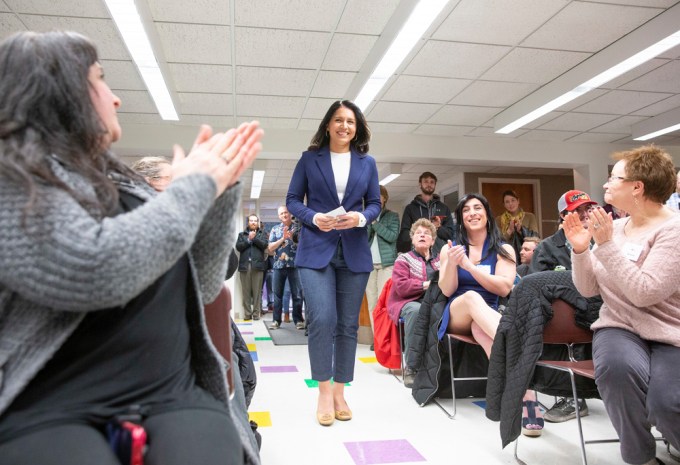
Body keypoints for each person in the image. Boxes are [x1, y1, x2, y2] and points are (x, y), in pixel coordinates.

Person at [0, 31, 264, 465]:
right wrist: (194, 187)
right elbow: (94, 268)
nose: (116, 98)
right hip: (55, 400)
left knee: (210, 448)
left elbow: (197, 285)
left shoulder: (124, 182)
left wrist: (219, 194)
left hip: (170, 389)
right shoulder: (18, 181)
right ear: (61, 94)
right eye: (101, 80)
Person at [564, 145, 680, 465]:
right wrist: (581, 251)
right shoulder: (612, 227)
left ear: (637, 187)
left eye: (613, 178)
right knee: (616, 369)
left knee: (665, 404)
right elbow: (588, 290)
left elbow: (645, 292)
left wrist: (603, 246)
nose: (605, 184)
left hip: (669, 332)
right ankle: (639, 456)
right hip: (619, 325)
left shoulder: (674, 230)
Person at [286, 100, 380, 427]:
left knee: (347, 326)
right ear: (328, 125)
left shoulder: (367, 163)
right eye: (338, 120)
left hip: (354, 251)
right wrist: (314, 217)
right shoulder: (310, 159)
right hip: (315, 250)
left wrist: (359, 217)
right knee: (322, 319)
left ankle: (341, 390)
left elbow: (375, 205)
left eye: (350, 122)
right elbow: (293, 200)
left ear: (357, 128)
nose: (344, 126)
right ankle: (323, 390)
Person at [438, 194, 543, 436]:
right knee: (473, 299)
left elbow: (504, 288)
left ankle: (521, 394)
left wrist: (470, 267)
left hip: (487, 314)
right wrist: (454, 264)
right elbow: (447, 289)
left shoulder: (503, 249)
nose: (472, 213)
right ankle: (522, 353)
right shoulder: (450, 248)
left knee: (482, 332)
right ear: (461, 217)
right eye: (466, 210)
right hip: (458, 312)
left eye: (478, 208)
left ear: (487, 214)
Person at [527, 189, 599, 424]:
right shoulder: (547, 248)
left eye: (587, 209)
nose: (585, 214)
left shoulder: (601, 241)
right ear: (563, 215)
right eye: (577, 210)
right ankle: (571, 397)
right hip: (564, 317)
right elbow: (537, 286)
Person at [387, 219, 440, 387]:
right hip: (407, 302)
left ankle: (441, 366)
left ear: (433, 240)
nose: (422, 235)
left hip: (434, 301)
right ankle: (411, 367)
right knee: (417, 312)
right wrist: (427, 285)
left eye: (427, 233)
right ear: (412, 239)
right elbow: (401, 287)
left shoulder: (441, 261)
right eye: (418, 233)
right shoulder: (403, 259)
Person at [365, 184, 399, 340]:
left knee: (383, 302)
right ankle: (377, 339)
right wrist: (368, 221)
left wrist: (375, 223)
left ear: (384, 198)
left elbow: (392, 236)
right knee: (372, 304)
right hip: (368, 265)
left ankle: (386, 337)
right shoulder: (366, 216)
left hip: (386, 265)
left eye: (379, 196)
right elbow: (363, 239)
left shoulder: (392, 216)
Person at [397, 171, 454, 255]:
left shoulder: (444, 208)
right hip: (417, 254)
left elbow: (450, 234)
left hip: (439, 255)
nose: (429, 184)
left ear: (435, 185)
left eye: (432, 182)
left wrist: (438, 227)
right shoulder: (410, 208)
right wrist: (419, 232)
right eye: (426, 181)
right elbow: (404, 234)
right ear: (420, 184)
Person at [267, 206, 304, 329]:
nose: (284, 215)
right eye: (281, 213)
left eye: (286, 212)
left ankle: (298, 320)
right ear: (279, 216)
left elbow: (303, 245)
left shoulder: (298, 228)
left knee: (297, 294)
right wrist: (283, 238)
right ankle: (276, 321)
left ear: (290, 213)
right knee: (277, 294)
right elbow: (270, 248)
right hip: (279, 265)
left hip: (295, 265)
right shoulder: (275, 229)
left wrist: (291, 239)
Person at [236, 214, 268, 321]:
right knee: (246, 291)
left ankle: (256, 314)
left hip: (258, 266)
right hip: (245, 266)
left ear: (258, 222)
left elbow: (264, 245)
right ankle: (247, 314)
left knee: (257, 291)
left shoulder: (262, 234)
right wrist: (248, 240)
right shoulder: (242, 235)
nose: (253, 222)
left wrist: (254, 239)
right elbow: (238, 247)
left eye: (255, 221)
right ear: (248, 222)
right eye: (251, 220)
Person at [495, 189, 539, 260]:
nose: (510, 204)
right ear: (504, 204)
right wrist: (509, 231)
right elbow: (497, 241)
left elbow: (535, 238)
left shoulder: (530, 217)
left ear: (518, 201)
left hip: (526, 257)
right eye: (507, 202)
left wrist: (521, 231)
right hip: (506, 255)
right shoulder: (498, 220)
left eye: (513, 200)